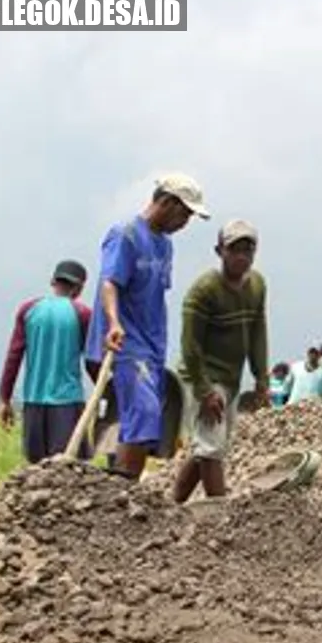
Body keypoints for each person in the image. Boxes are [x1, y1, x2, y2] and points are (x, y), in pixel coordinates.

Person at [85, 172, 211, 480]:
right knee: (144, 411)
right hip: (125, 340)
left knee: (144, 421)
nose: (186, 223)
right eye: (185, 214)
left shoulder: (165, 245)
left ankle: (124, 485)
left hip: (152, 343)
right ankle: (123, 486)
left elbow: (156, 294)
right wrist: (113, 322)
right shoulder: (125, 235)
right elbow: (110, 283)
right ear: (167, 203)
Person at [172, 219, 270, 502]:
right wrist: (204, 390)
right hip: (201, 374)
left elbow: (257, 331)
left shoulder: (257, 286)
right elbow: (190, 346)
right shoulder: (204, 291)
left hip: (231, 377)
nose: (242, 257)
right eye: (234, 250)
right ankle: (220, 510)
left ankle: (174, 505)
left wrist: (261, 377)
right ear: (220, 251)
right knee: (211, 448)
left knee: (210, 446)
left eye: (248, 250)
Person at [0, 260, 93, 463]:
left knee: (37, 466)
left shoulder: (29, 310)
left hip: (34, 399)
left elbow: (14, 356)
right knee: (68, 465)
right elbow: (91, 360)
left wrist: (5, 398)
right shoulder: (81, 314)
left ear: (53, 281)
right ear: (78, 288)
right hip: (67, 400)